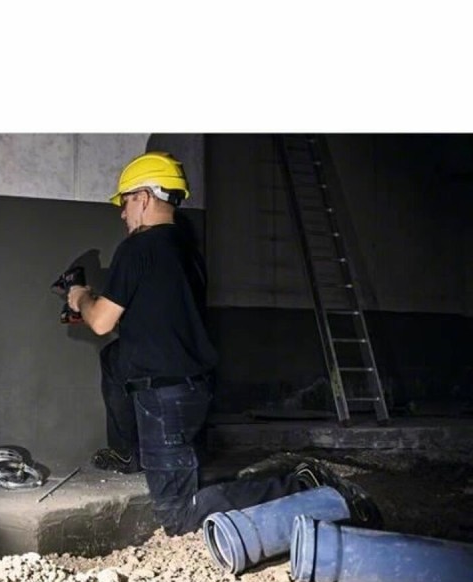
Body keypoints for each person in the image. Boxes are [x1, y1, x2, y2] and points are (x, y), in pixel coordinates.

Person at [67, 151, 383, 535]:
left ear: (144, 198)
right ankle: (130, 454)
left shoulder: (136, 248)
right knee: (114, 360)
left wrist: (81, 296)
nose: (122, 213)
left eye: (126, 201)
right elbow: (157, 316)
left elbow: (101, 321)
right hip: (194, 389)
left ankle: (299, 485)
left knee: (177, 514)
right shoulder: (187, 252)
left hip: (162, 398)